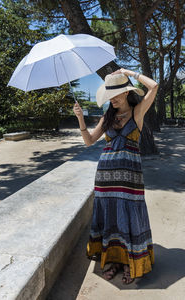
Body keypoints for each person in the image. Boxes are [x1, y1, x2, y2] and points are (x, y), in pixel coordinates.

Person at [73, 68, 158, 284]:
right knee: (111, 218)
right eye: (109, 95)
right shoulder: (107, 117)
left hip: (130, 179)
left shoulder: (137, 112)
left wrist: (130, 72)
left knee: (130, 218)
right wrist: (81, 119)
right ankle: (114, 261)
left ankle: (131, 263)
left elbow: (154, 86)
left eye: (116, 94)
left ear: (127, 92)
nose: (112, 99)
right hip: (105, 178)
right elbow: (90, 140)